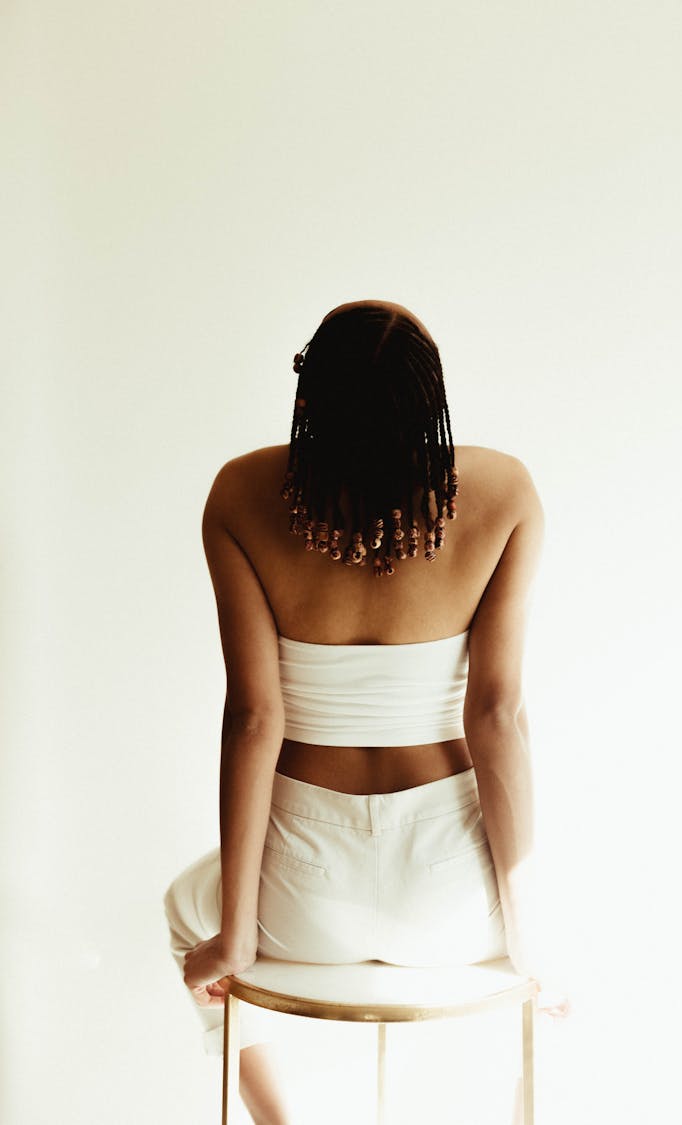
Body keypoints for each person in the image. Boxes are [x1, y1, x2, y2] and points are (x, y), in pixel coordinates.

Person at [163, 299, 567, 1125]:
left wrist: (236, 936)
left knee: (184, 903)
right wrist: (533, 942)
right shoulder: (504, 491)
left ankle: (281, 1121)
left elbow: (252, 719)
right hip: (453, 896)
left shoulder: (241, 495)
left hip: (300, 895)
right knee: (567, 935)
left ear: (308, 400)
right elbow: (495, 715)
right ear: (431, 406)